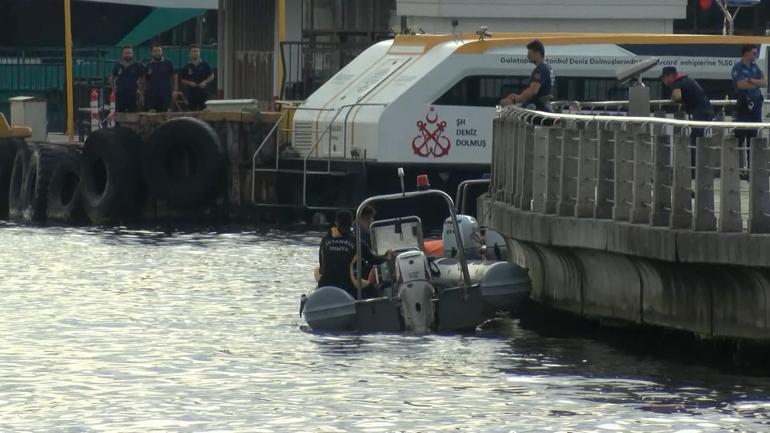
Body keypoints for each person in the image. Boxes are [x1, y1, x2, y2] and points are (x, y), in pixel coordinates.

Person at [318, 210, 391, 298]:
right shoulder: (356, 242)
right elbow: (373, 260)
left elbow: (322, 267)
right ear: (351, 223)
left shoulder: (325, 240)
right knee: (371, 287)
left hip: (324, 285)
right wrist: (386, 256)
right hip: (348, 286)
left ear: (336, 223)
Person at [660, 66, 714, 173]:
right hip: (706, 110)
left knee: (695, 140)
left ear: (670, 76)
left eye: (664, 78)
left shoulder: (677, 82)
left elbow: (677, 96)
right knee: (696, 138)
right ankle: (696, 168)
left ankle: (694, 170)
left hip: (701, 113)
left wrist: (673, 99)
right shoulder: (686, 80)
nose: (663, 81)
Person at [732, 44, 767, 170]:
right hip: (743, 106)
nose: (756, 55)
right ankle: (738, 169)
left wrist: (752, 82)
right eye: (754, 53)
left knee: (754, 138)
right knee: (739, 139)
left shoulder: (756, 67)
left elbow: (765, 82)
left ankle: (753, 170)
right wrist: (756, 84)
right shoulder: (738, 68)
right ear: (746, 53)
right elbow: (741, 85)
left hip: (756, 108)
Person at [500, 39, 555, 112]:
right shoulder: (548, 67)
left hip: (538, 109)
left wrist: (516, 99)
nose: (527, 56)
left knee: (504, 104)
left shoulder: (540, 69)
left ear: (537, 53)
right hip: (544, 107)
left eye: (530, 53)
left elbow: (533, 91)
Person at [179, 45, 215, 111]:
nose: (196, 53)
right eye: (193, 51)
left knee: (205, 112)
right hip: (192, 94)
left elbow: (212, 76)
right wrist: (189, 83)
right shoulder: (187, 66)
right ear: (190, 53)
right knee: (192, 113)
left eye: (197, 51)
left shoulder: (205, 64)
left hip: (203, 93)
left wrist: (205, 81)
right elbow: (182, 80)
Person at [144, 43, 177, 112]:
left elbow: (175, 76)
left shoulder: (168, 63)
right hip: (152, 96)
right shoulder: (148, 65)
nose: (157, 53)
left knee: (166, 115)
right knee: (153, 117)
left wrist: (174, 90)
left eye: (159, 51)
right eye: (155, 51)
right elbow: (145, 80)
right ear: (151, 53)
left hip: (166, 94)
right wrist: (143, 93)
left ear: (162, 52)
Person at [111, 46, 144, 113]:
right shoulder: (117, 65)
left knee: (133, 115)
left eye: (129, 53)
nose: (128, 54)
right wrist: (114, 89)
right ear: (122, 54)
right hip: (120, 95)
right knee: (119, 115)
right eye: (126, 53)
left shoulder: (137, 65)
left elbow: (143, 77)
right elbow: (112, 77)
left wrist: (141, 90)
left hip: (133, 95)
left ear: (132, 54)